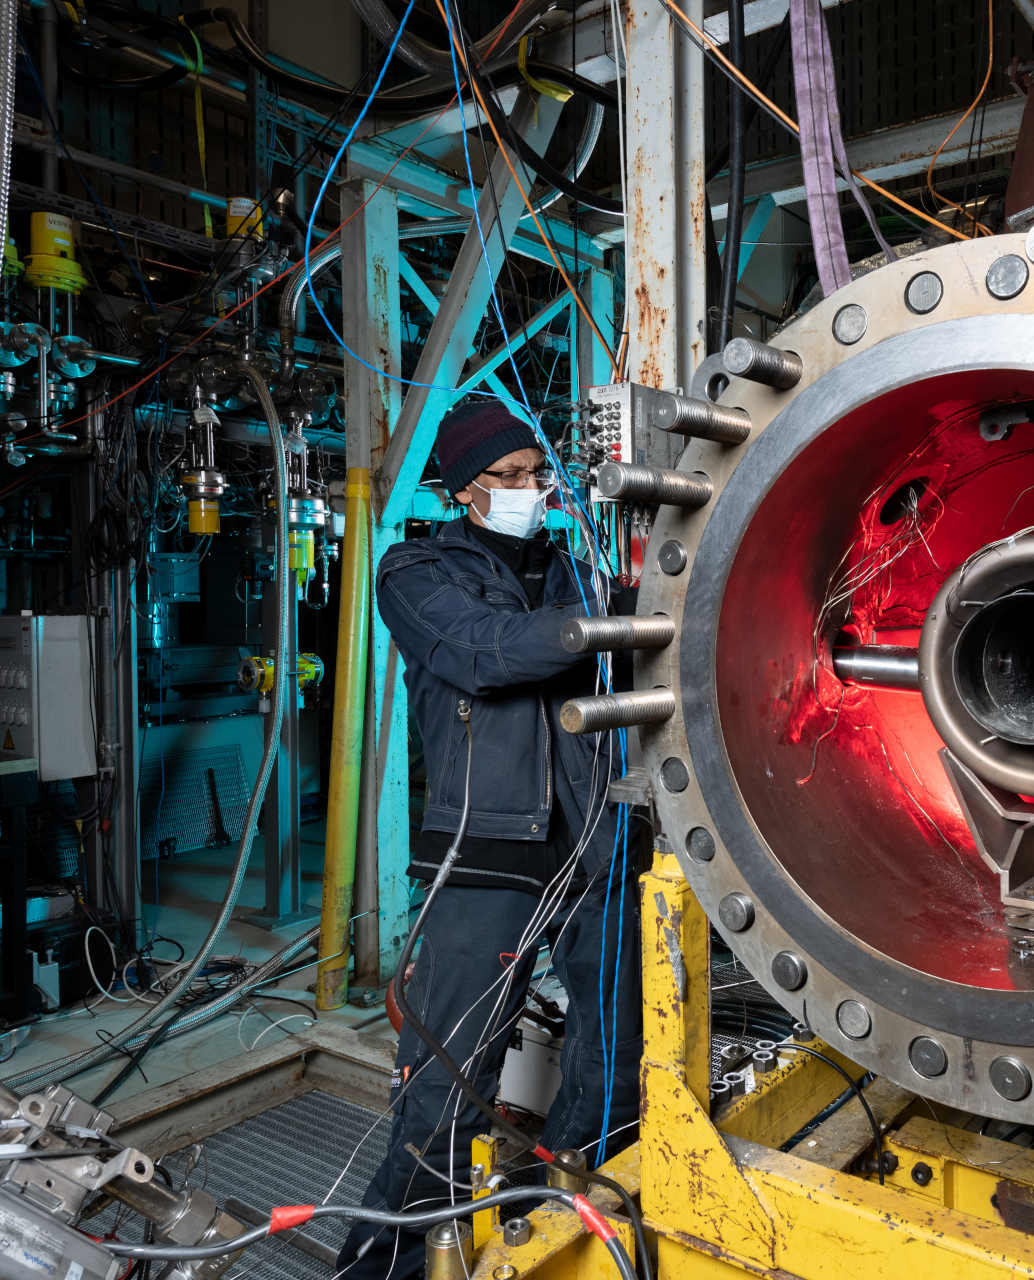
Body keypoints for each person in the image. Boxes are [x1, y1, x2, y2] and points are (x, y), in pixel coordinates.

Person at [337, 403, 641, 1279]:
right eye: (508, 478)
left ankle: (568, 1231)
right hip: (486, 856)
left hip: (597, 844)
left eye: (538, 476)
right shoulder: (416, 571)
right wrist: (612, 624)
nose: (530, 492)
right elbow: (482, 653)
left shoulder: (575, 574)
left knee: (616, 1064)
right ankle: (380, 1267)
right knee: (447, 1087)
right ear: (463, 486)